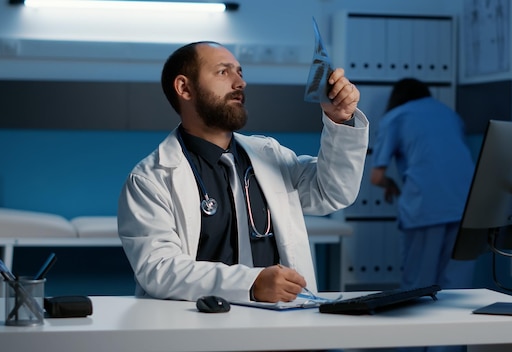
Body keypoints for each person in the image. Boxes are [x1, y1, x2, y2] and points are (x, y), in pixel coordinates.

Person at [117, 41, 369, 304]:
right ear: (184, 88)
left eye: (240, 72)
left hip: (280, 324)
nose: (240, 83)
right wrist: (251, 283)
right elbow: (160, 270)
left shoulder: (270, 155)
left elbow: (332, 192)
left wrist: (340, 120)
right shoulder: (150, 180)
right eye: (223, 72)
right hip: (198, 328)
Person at [370, 78, 476, 292]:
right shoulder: (450, 114)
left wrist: (391, 184)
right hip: (467, 205)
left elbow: (376, 176)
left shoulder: (396, 117)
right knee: (457, 289)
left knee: (418, 287)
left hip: (425, 206)